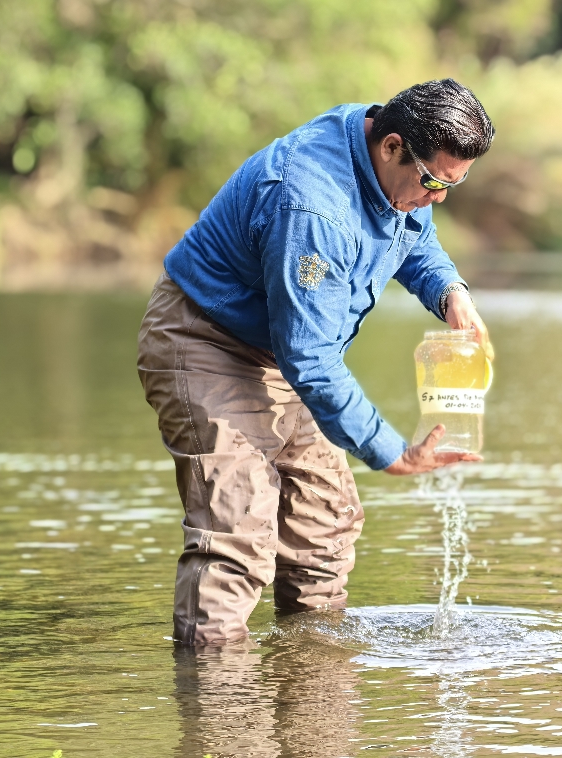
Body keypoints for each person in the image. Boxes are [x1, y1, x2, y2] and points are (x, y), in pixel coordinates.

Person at [137, 78, 495, 645]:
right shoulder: (313, 204)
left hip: (283, 348)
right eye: (433, 181)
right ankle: (219, 712)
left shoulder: (387, 159)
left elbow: (412, 232)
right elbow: (311, 357)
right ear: (393, 145)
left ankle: (312, 694)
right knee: (237, 536)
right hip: (206, 342)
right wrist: (390, 451)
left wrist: (450, 291)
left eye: (454, 184)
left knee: (323, 524)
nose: (439, 198)